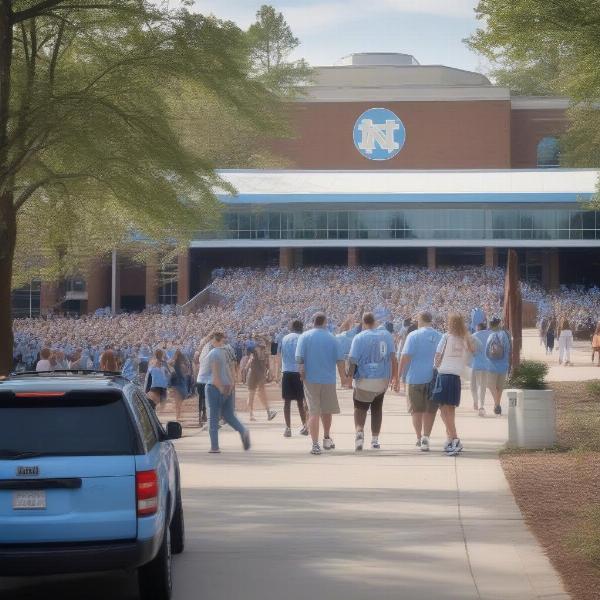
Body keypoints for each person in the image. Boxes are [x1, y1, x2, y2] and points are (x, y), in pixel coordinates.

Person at [296, 312, 348, 455]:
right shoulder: (332, 338)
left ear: (313, 322)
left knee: (314, 412)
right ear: (325, 322)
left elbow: (299, 359)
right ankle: (326, 437)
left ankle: (315, 444)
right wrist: (343, 377)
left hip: (310, 379)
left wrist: (301, 373)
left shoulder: (304, 337)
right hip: (328, 379)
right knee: (327, 410)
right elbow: (340, 360)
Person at [348, 312, 396, 451]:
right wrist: (395, 377)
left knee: (360, 407)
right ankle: (375, 440)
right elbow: (393, 358)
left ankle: (359, 432)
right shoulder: (386, 335)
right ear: (375, 321)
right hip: (382, 378)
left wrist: (348, 378)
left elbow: (352, 360)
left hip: (364, 378)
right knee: (377, 408)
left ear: (363, 323)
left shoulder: (358, 337)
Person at [397, 311, 442, 452]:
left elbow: (405, 358)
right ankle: (426, 438)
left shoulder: (413, 335)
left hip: (414, 377)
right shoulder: (439, 336)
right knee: (430, 410)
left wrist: (397, 377)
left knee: (416, 410)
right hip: (434, 378)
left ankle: (418, 437)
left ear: (420, 320)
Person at [432, 313, 476, 456]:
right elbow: (472, 352)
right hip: (456, 376)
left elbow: (438, 355)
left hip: (444, 374)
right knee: (450, 410)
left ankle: (455, 438)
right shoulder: (466, 339)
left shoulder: (446, 337)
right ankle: (450, 438)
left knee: (444, 411)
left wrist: (435, 366)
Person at [205, 332, 251, 454]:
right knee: (229, 415)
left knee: (213, 418)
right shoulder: (227, 351)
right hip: (228, 385)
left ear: (215, 339)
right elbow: (231, 369)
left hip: (215, 387)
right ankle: (243, 431)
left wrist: (220, 388)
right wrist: (231, 385)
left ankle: (214, 447)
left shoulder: (214, 353)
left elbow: (215, 375)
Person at [279, 320, 308, 437]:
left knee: (287, 402)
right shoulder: (303, 338)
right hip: (299, 371)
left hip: (286, 371)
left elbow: (280, 354)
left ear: (291, 327)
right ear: (301, 327)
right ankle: (304, 425)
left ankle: (288, 428)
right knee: (301, 401)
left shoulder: (284, 338)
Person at [485, 317, 512, 416]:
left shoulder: (491, 335)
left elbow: (487, 351)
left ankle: (496, 404)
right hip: (503, 364)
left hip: (492, 365)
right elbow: (508, 349)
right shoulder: (505, 334)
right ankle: (497, 405)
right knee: (500, 387)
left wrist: (488, 359)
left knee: (491, 386)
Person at [245, 341, 277, 422]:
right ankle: (256, 414)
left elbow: (267, 364)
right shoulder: (255, 350)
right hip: (256, 373)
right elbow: (249, 361)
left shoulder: (259, 351)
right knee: (256, 393)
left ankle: (264, 413)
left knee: (257, 393)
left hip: (257, 373)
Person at [471, 322, 491, 417]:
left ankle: (477, 403)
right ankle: (481, 404)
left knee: (475, 386)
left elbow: (471, 350)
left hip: (477, 364)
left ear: (478, 327)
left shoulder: (474, 336)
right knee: (483, 386)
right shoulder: (490, 334)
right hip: (488, 364)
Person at [169, 350, 190, 422]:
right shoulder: (182, 364)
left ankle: (178, 416)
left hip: (176, 383)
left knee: (177, 402)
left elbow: (169, 364)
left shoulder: (174, 363)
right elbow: (187, 372)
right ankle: (178, 416)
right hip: (181, 383)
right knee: (179, 401)